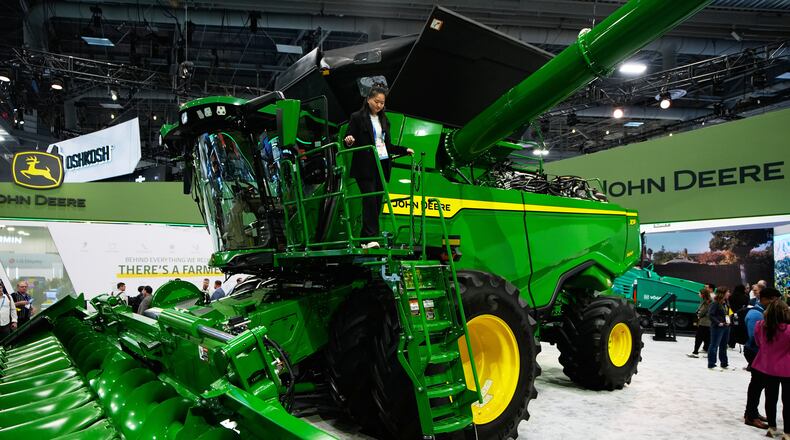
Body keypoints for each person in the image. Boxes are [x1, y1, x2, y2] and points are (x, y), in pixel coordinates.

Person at [344, 83, 414, 249]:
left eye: (382, 103)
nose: (379, 105)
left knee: (377, 201)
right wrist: (349, 140)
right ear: (368, 100)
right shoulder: (357, 117)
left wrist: (404, 150)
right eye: (376, 101)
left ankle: (364, 239)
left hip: (381, 165)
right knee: (369, 200)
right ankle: (371, 238)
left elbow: (386, 145)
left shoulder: (384, 120)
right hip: (365, 166)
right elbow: (349, 137)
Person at [751, 290, 790, 439]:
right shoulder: (788, 330)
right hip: (787, 369)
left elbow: (758, 343)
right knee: (787, 402)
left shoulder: (760, 326)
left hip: (767, 368)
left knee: (770, 398)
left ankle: (772, 428)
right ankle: (787, 432)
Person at [742, 286, 778, 429]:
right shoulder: (756, 315)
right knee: (757, 384)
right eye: (774, 300)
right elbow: (755, 338)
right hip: (755, 352)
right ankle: (750, 416)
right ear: (766, 299)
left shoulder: (763, 313)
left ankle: (752, 413)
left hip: (759, 352)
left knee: (758, 384)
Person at [708, 286, 731, 370]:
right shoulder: (715, 303)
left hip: (726, 326)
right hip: (718, 327)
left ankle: (724, 363)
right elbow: (710, 315)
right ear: (723, 293)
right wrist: (718, 323)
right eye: (727, 292)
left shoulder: (726, 302)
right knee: (714, 345)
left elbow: (728, 313)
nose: (729, 294)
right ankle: (711, 363)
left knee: (724, 346)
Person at [688, 288, 712, 357]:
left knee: (699, 337)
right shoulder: (705, 301)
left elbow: (703, 312)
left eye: (699, 293)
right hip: (705, 322)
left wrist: (698, 314)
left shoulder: (708, 302)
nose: (698, 294)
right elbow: (699, 310)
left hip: (705, 322)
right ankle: (706, 351)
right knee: (706, 338)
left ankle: (695, 352)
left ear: (703, 294)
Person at [729, 284, 750, 348]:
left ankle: (731, 343)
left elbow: (730, 305)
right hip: (742, 315)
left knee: (733, 328)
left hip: (734, 314)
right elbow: (746, 306)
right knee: (741, 327)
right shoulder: (745, 297)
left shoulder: (731, 296)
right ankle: (741, 341)